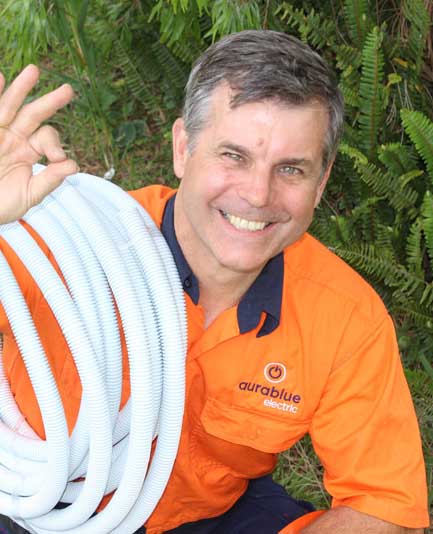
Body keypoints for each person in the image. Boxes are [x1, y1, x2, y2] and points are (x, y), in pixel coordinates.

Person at [0, 30, 429, 533]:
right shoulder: (59, 246)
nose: (257, 193)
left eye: (291, 168)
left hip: (205, 515)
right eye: (234, 155)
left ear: (322, 182)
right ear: (183, 149)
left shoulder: (343, 317)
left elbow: (382, 506)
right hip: (37, 505)